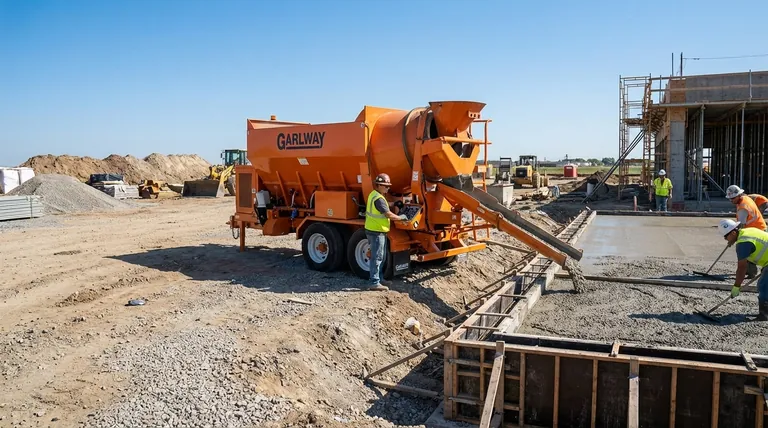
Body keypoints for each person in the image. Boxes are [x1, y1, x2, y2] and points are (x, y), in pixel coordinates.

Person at [364, 173, 407, 291]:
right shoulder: (378, 198)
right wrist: (401, 218)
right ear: (378, 185)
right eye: (385, 186)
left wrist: (394, 204)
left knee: (380, 257)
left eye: (388, 186)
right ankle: (374, 282)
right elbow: (387, 213)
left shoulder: (375, 195)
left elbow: (384, 206)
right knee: (377, 257)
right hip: (376, 231)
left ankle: (379, 279)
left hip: (375, 230)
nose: (387, 188)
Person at [719, 219, 768, 321]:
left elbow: (742, 268)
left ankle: (765, 315)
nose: (726, 240)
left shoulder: (743, 243)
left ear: (733, 233)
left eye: (726, 237)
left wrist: (737, 286)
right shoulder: (747, 232)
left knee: (763, 286)